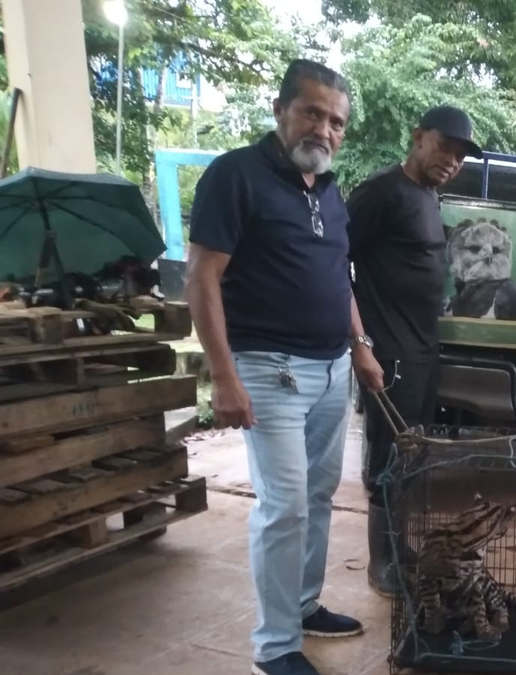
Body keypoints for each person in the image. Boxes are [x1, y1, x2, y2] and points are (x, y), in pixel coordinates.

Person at [186, 59, 379, 675]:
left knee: (317, 496)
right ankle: (274, 649)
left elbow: (339, 276)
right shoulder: (235, 176)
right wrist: (224, 377)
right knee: (285, 506)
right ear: (280, 111)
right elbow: (202, 277)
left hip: (331, 370)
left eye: (336, 122)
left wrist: (360, 345)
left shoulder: (329, 191)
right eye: (312, 113)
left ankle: (302, 605)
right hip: (268, 371)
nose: (324, 130)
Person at [346, 104, 484, 597]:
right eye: (445, 147)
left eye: (460, 156)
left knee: (411, 456)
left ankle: (399, 548)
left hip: (423, 350)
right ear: (418, 136)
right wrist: (360, 343)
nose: (452, 161)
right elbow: (333, 263)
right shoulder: (382, 191)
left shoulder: (426, 196)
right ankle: (380, 564)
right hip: (391, 351)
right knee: (389, 457)